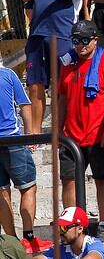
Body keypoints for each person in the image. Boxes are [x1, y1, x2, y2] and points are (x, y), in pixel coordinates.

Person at [21, 0, 88, 135]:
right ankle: (35, 134)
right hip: (37, 34)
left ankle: (62, 132)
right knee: (34, 85)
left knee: (63, 85)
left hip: (63, 34)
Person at [57, 20, 104, 242]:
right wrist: (57, 131)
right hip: (71, 135)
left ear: (95, 39)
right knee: (68, 181)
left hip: (97, 134)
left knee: (102, 178)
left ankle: (103, 224)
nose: (80, 45)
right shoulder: (67, 63)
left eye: (84, 40)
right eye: (76, 40)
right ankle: (72, 225)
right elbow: (62, 97)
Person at [0, 65, 44, 254]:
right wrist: (30, 134)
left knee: (2, 192)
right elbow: (24, 105)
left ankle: (11, 239)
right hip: (12, 138)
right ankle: (28, 237)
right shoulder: (7, 75)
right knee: (28, 187)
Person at [35, 207, 104, 259]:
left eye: (63, 228)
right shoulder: (62, 247)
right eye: (58, 228)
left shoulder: (95, 245)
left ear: (80, 229)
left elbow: (93, 256)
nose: (60, 232)